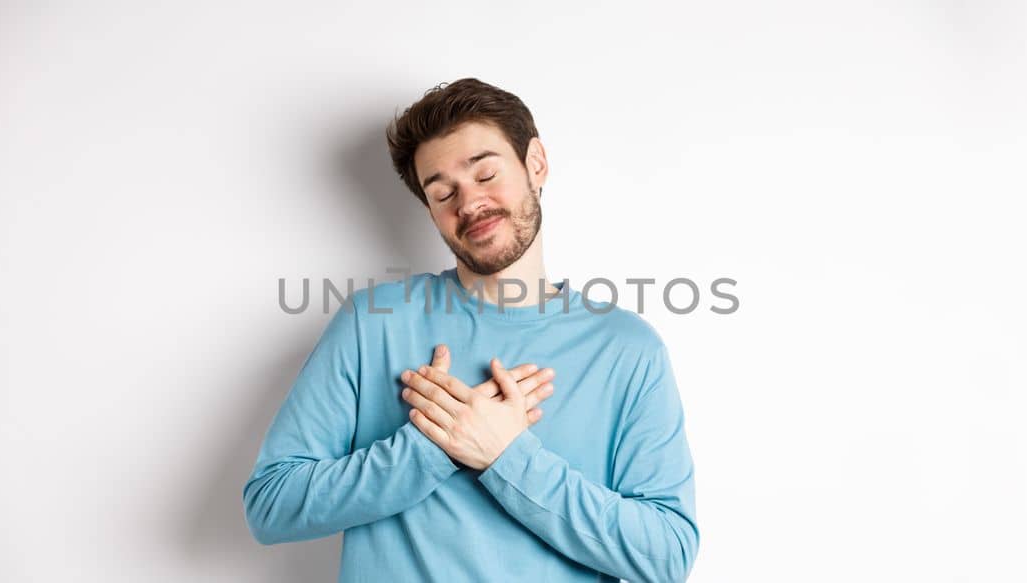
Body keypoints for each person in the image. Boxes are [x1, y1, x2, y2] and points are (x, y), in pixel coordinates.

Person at [243, 77, 699, 582]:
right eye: (443, 193)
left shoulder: (627, 349)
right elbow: (270, 504)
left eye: (485, 174)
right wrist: (430, 448)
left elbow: (666, 557)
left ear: (536, 164)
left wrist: (505, 455)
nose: (469, 203)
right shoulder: (372, 323)